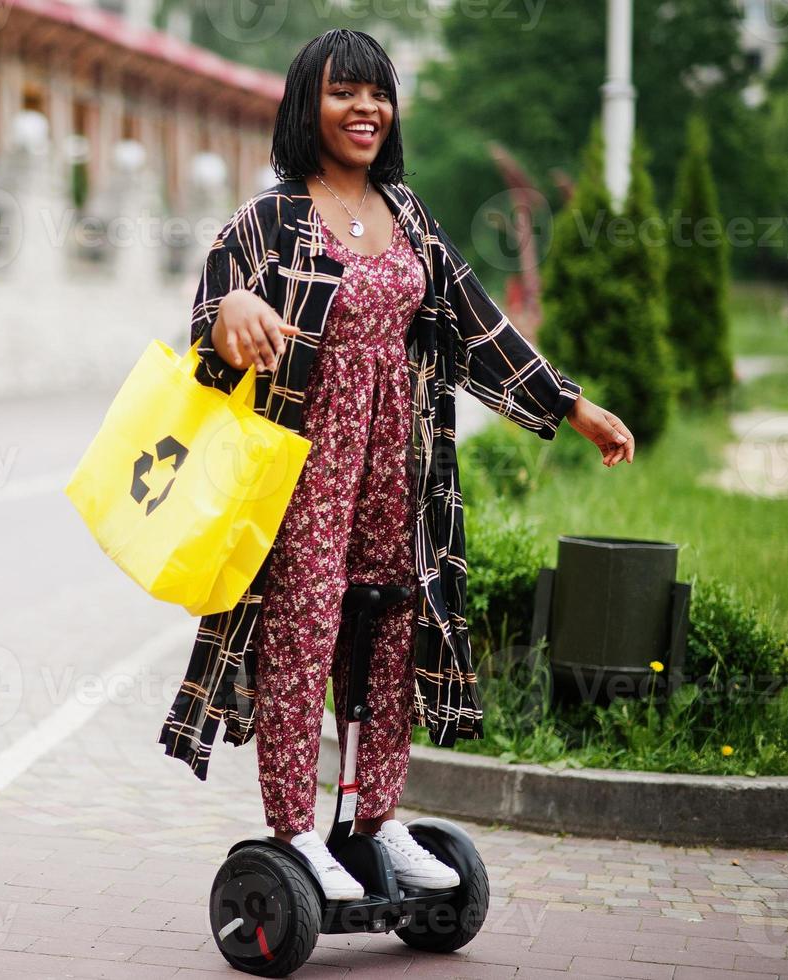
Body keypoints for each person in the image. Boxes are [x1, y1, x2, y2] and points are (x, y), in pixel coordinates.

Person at [156, 28, 635, 901]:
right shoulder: (268, 219)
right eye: (344, 92)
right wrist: (229, 310)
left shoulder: (406, 213)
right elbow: (204, 339)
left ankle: (373, 819)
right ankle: (296, 831)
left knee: (386, 632)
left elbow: (475, 320)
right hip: (300, 470)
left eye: (377, 93)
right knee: (302, 638)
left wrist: (569, 406)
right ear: (308, 104)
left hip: (399, 467)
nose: (365, 108)